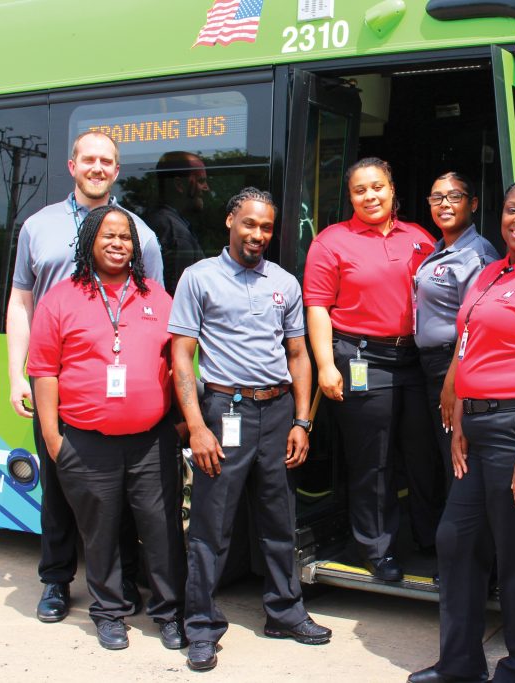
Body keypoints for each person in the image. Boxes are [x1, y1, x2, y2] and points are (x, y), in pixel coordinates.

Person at [409, 178, 515, 683]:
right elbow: (469, 347)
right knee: (456, 541)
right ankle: (459, 664)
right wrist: (460, 417)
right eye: (512, 210)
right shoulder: (489, 273)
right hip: (477, 425)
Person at [170, 187, 331, 672]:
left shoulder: (283, 282)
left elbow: (298, 355)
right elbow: (181, 355)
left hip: (278, 410)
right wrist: (196, 426)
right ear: (230, 222)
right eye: (249, 224)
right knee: (210, 525)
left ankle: (284, 613)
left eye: (265, 227)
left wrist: (303, 420)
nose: (257, 234)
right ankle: (200, 625)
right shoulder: (198, 279)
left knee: (279, 518)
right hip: (224, 410)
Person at [6, 130, 164, 623]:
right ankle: (56, 581)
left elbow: (155, 309)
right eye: (89, 159)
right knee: (57, 484)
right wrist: (18, 376)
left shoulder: (139, 232)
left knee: (118, 494)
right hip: (57, 378)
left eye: (108, 161)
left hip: (114, 383)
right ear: (72, 165)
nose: (98, 167)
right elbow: (21, 302)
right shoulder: (38, 225)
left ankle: (121, 584)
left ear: (117, 171)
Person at [27, 206, 186, 651]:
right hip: (86, 440)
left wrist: (178, 424)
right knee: (100, 535)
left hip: (151, 441)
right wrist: (54, 439)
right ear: (90, 242)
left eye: (126, 238)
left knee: (162, 531)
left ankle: (169, 614)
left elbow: (178, 364)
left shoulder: (156, 294)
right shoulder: (60, 298)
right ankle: (108, 614)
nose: (118, 244)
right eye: (108, 236)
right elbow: (43, 371)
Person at [303, 157, 438, 580]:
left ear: (392, 188)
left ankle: (431, 540)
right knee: (373, 459)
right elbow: (318, 308)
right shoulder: (331, 242)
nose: (370, 196)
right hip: (360, 358)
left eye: (377, 186)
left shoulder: (419, 238)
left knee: (424, 453)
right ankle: (376, 549)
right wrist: (326, 365)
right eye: (360, 190)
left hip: (415, 358)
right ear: (351, 197)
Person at [414, 172, 499, 514]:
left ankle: (461, 557)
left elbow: (476, 327)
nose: (444, 204)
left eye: (454, 197)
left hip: (452, 367)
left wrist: (453, 383)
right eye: (436, 198)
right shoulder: (441, 249)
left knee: (457, 459)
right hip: (433, 365)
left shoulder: (476, 255)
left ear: (473, 203)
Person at [147, 151, 209, 294]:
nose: (207, 188)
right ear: (179, 184)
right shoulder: (173, 231)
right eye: (200, 181)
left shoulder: (164, 222)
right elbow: (177, 295)